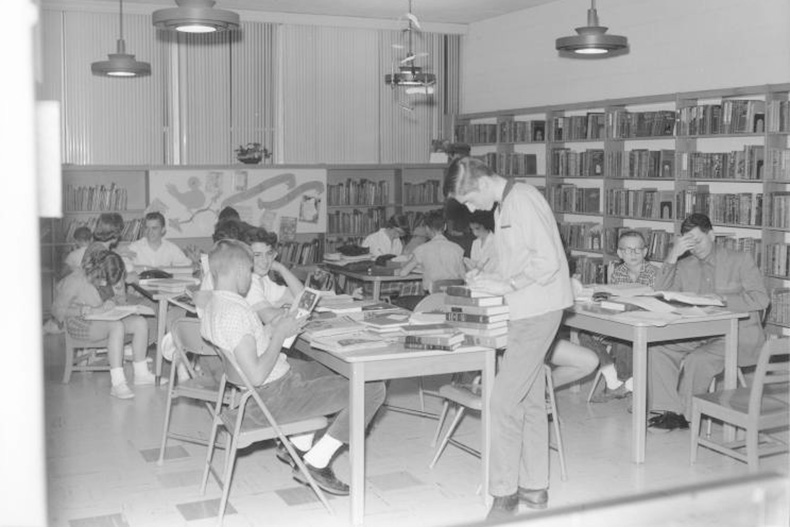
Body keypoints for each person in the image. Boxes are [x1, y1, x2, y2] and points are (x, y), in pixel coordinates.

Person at [200, 239, 386, 495]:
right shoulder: (235, 313)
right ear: (240, 271)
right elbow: (255, 374)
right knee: (372, 387)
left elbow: (246, 345)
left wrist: (273, 329)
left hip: (272, 382)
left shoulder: (215, 304)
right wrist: (278, 336)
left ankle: (299, 444)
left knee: (336, 370)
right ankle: (316, 462)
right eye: (249, 270)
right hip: (272, 394)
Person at [444, 157, 573, 519]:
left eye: (468, 200)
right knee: (528, 398)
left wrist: (507, 284)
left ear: (483, 183)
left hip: (538, 310)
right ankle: (535, 487)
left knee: (501, 401)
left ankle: (504, 495)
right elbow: (517, 258)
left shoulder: (524, 200)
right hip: (524, 310)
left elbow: (547, 261)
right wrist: (486, 275)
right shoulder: (506, 206)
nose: (471, 209)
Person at [647, 213, 769, 432]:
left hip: (736, 335)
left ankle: (685, 414)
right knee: (658, 348)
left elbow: (761, 299)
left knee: (698, 360)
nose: (694, 247)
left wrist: (724, 300)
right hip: (700, 332)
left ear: (711, 235)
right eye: (688, 243)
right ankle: (670, 410)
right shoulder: (684, 265)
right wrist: (673, 255)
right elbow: (661, 293)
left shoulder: (740, 259)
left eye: (698, 240)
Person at [51, 249, 159, 399]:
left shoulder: (114, 274)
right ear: (97, 272)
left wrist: (113, 303)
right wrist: (84, 310)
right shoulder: (75, 280)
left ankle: (141, 374)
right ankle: (118, 383)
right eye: (105, 282)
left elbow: (119, 299)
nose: (107, 285)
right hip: (80, 322)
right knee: (117, 326)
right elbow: (57, 310)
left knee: (140, 322)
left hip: (105, 319)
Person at [587, 230, 659, 403]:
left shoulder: (655, 273)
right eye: (627, 250)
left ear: (645, 251)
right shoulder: (618, 272)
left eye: (637, 249)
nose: (632, 254)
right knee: (586, 332)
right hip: (619, 319)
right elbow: (615, 300)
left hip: (643, 324)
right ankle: (614, 381)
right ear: (619, 253)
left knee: (624, 335)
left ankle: (628, 383)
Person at [242, 226, 306, 323]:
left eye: (268, 254)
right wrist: (293, 311)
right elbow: (268, 316)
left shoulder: (263, 279)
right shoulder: (249, 281)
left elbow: (304, 299)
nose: (265, 260)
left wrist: (281, 268)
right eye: (257, 255)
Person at [397, 209, 465, 294]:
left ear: (427, 228)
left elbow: (403, 273)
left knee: (402, 299)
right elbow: (463, 276)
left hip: (431, 298)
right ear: (445, 227)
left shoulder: (421, 249)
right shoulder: (457, 249)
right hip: (453, 297)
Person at [464, 210, 498, 274]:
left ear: (485, 225)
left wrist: (477, 267)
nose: (475, 232)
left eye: (477, 228)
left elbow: (492, 266)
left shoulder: (495, 241)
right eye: (472, 229)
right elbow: (473, 265)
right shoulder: (475, 243)